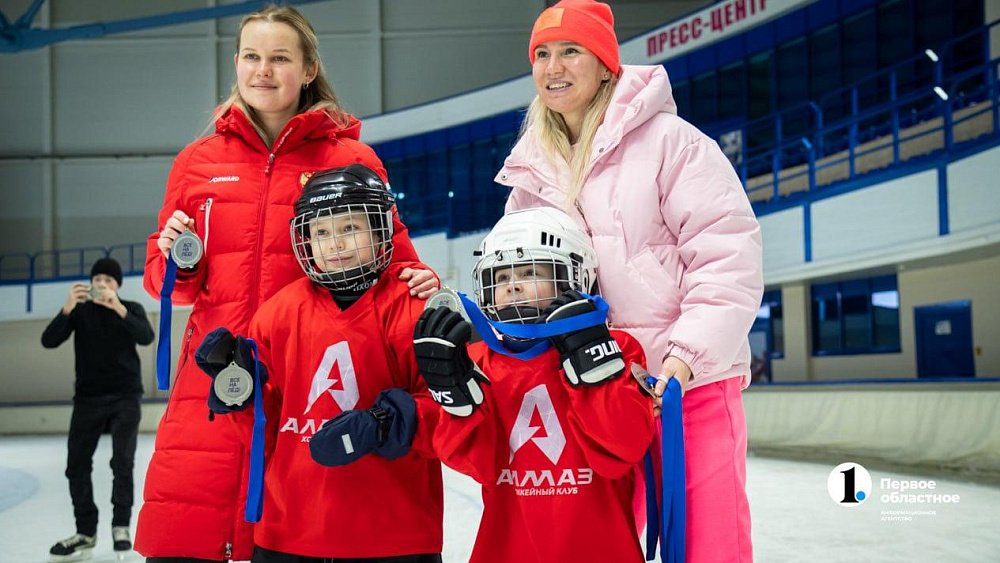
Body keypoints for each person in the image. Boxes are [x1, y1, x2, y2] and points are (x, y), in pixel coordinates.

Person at [137, 5, 437, 561]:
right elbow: (168, 287)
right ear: (236, 64)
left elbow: (397, 264)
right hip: (216, 377)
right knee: (189, 542)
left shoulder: (349, 158)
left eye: (280, 58)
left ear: (308, 69)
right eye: (252, 57)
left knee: (290, 540)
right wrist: (171, 256)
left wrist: (427, 286)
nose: (263, 71)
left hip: (308, 383)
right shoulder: (198, 162)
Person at [497, 1, 764, 561]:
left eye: (571, 51)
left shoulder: (673, 143)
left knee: (706, 544)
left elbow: (727, 258)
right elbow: (519, 280)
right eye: (542, 54)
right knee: (598, 545)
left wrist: (685, 356)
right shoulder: (531, 169)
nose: (553, 67)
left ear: (605, 64)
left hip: (682, 387)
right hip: (591, 391)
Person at [196, 165, 443, 562]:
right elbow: (269, 434)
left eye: (350, 228)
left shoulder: (412, 307)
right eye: (322, 232)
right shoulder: (276, 314)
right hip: (287, 534)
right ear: (305, 240)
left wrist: (386, 423)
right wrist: (241, 399)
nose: (336, 245)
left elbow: (452, 417)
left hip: (393, 536)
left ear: (381, 232)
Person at [413, 207, 655, 563]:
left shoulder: (619, 346)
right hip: (506, 550)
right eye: (501, 276)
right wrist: (454, 397)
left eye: (530, 272)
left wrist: (592, 355)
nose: (512, 284)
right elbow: (479, 467)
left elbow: (623, 450)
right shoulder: (478, 360)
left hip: (600, 549)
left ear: (575, 277)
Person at [41, 257, 154, 562]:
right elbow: (48, 341)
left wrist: (117, 307)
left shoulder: (129, 307)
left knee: (122, 462)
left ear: (117, 284)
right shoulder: (79, 311)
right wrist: (67, 308)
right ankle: (85, 532)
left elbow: (146, 336)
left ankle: (121, 526)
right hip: (88, 399)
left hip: (125, 397)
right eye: (97, 278)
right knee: (76, 465)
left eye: (108, 279)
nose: (101, 283)